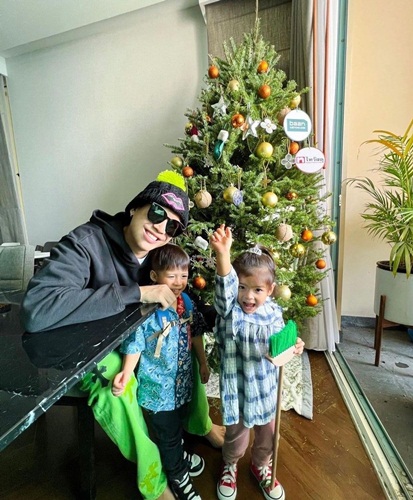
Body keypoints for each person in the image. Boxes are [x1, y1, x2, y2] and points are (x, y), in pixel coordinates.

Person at [21, 171, 224, 500]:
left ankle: (201, 425)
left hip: (136, 340)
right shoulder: (86, 243)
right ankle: (153, 478)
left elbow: (184, 299)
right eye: (157, 213)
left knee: (180, 340)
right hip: (87, 350)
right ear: (134, 208)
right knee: (118, 380)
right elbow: (37, 310)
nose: (160, 228)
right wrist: (138, 292)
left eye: (172, 227)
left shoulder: (158, 254)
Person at [209, 224, 305, 500]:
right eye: (242, 287)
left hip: (265, 388)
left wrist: (294, 345)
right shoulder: (230, 311)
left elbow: (282, 341)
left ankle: (261, 464)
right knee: (236, 435)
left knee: (268, 434)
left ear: (271, 289)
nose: (248, 296)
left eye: (257, 290)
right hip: (238, 388)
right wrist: (223, 255)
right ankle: (230, 464)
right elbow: (224, 292)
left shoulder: (274, 312)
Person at [112, 243, 209, 500]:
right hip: (157, 391)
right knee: (167, 433)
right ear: (155, 276)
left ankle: (176, 453)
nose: (179, 282)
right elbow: (135, 344)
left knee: (176, 426)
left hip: (181, 385)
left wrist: (203, 362)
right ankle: (178, 475)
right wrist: (126, 372)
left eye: (184, 275)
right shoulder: (146, 310)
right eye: (172, 275)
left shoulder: (186, 302)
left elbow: (196, 333)